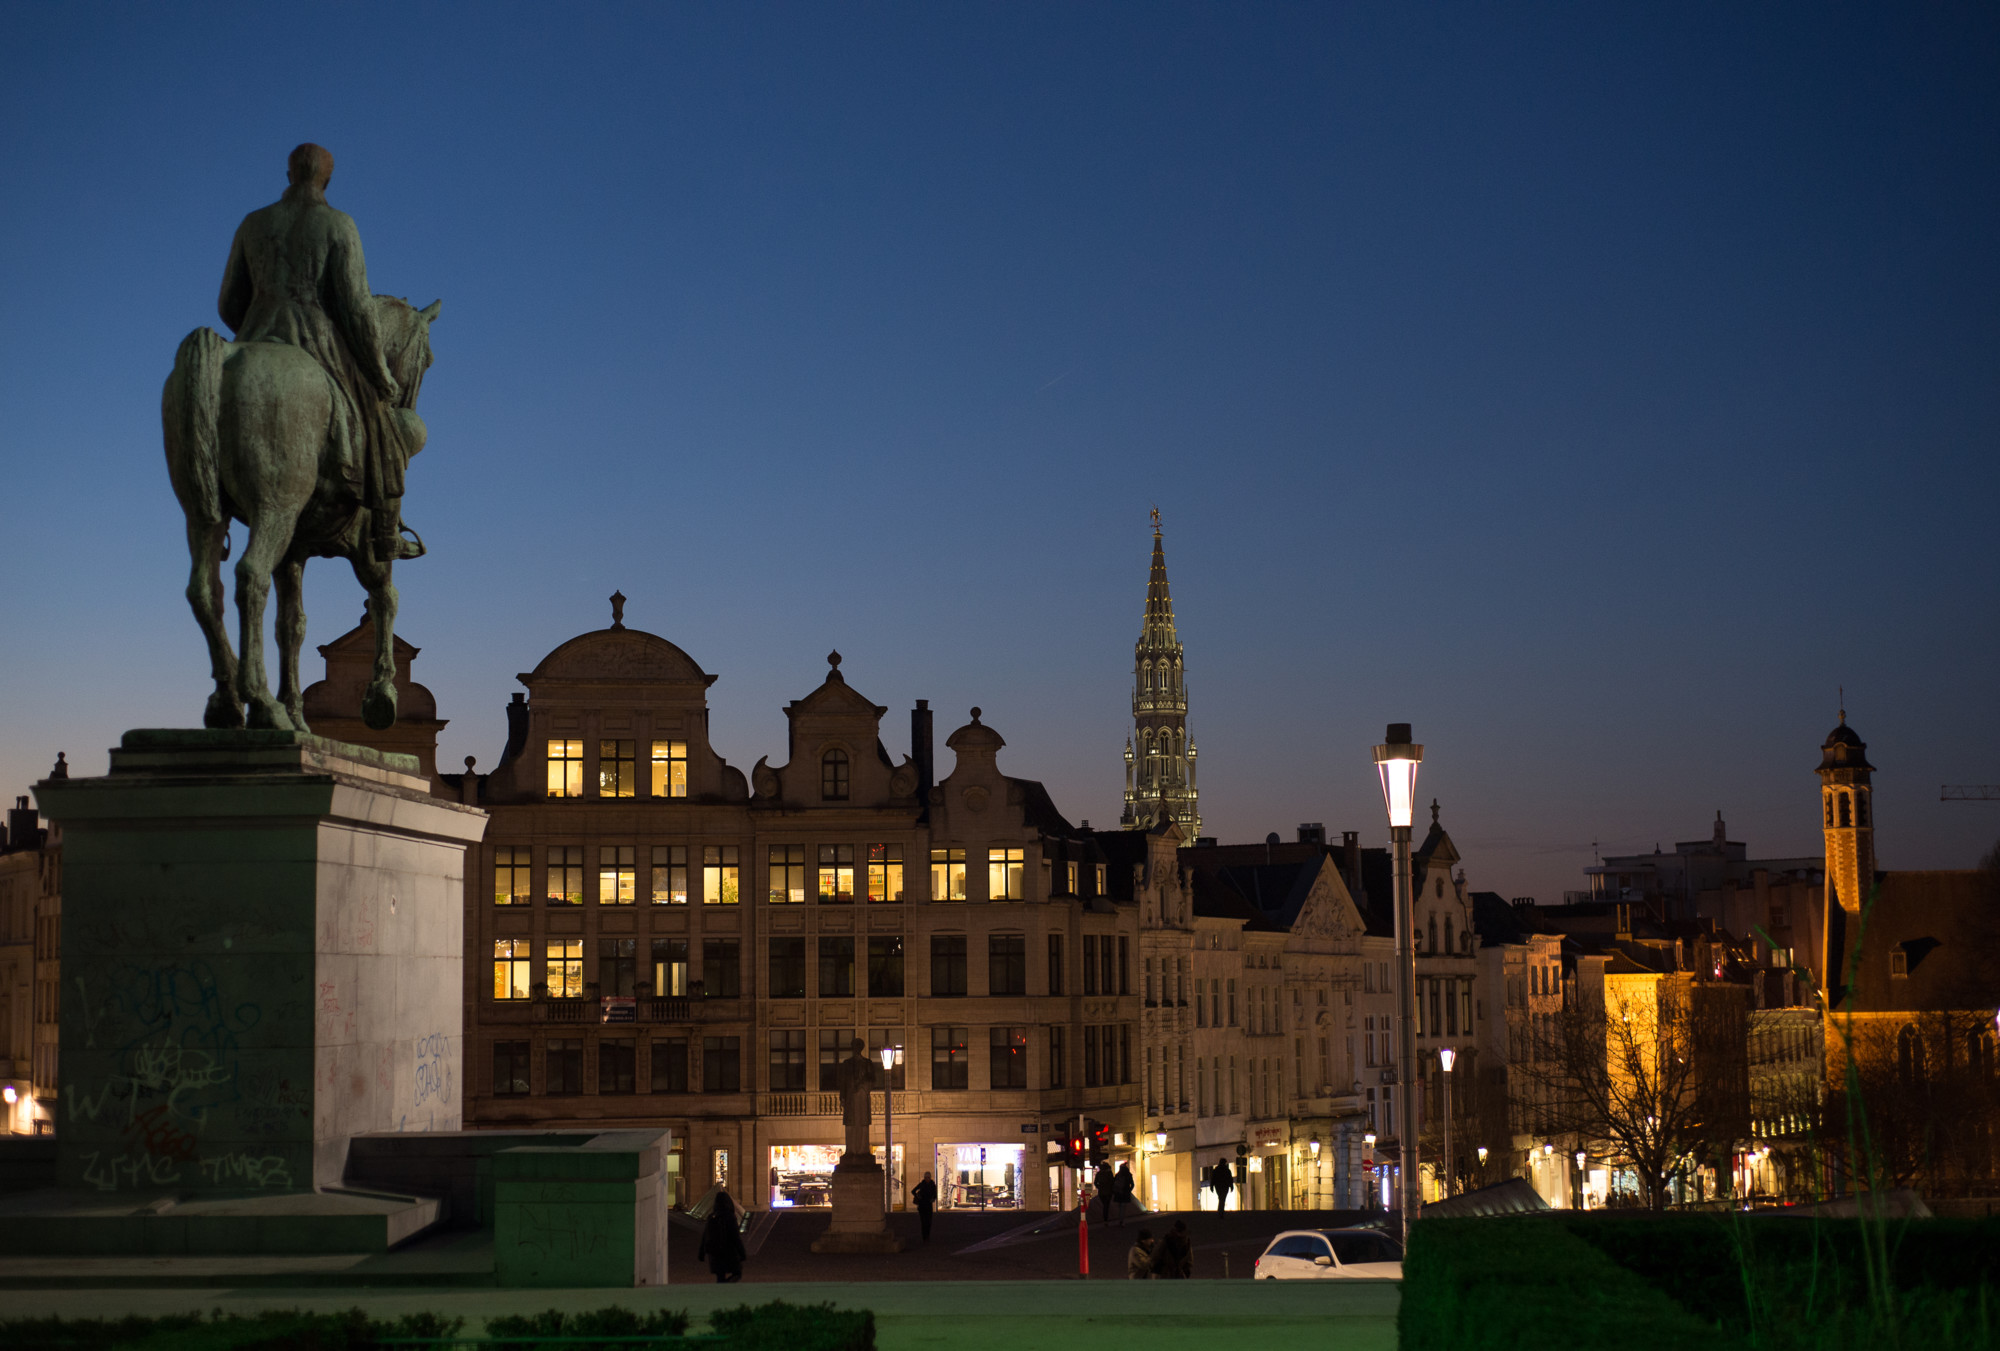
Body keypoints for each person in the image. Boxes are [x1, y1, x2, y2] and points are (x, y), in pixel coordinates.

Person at [217, 143, 423, 563]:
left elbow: (227, 303)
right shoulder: (338, 224)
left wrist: (257, 328)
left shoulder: (253, 224)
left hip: (253, 334)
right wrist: (380, 373)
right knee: (384, 423)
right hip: (317, 340)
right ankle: (385, 535)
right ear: (326, 179)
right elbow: (356, 307)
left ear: (289, 174)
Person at [696, 1189, 746, 1283]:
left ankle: (721, 1290)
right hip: (728, 1251)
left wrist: (701, 1252)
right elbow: (735, 1237)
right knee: (737, 1273)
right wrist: (742, 1253)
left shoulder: (712, 1216)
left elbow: (705, 1235)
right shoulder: (730, 1216)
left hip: (714, 1252)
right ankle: (727, 1286)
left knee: (720, 1277)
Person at [911, 1171, 938, 1242]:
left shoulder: (932, 1185)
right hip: (923, 1205)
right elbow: (913, 1191)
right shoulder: (923, 1184)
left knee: (928, 1222)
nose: (927, 1179)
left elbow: (935, 1195)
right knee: (923, 1222)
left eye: (928, 1177)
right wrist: (917, 1196)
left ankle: (927, 1236)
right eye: (926, 1177)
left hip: (927, 1205)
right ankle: (924, 1237)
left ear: (930, 1177)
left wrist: (933, 1199)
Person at [1113, 1161, 1136, 1226]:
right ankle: (1122, 1220)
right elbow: (1132, 1184)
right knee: (1123, 1207)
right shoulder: (1128, 1175)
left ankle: (1119, 1219)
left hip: (1118, 1193)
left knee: (1120, 1207)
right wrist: (1129, 1190)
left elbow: (1114, 1184)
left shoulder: (1117, 1175)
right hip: (1125, 1193)